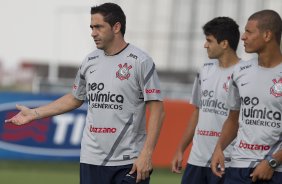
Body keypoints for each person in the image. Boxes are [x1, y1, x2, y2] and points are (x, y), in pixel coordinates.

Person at [5, 3, 165, 184]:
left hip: (128, 160)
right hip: (91, 159)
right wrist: (34, 113)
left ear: (117, 27)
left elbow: (158, 110)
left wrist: (147, 153)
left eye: (98, 27)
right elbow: (75, 98)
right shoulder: (90, 61)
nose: (93, 33)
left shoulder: (141, 61)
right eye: (91, 27)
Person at [211, 9, 282, 184]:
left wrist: (273, 162)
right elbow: (233, 118)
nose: (243, 37)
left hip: (275, 169)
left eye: (249, 32)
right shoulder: (240, 71)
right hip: (238, 167)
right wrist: (219, 148)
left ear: (267, 35)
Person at [171, 17, 240, 184]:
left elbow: (238, 119)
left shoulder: (244, 73)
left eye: (209, 40)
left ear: (224, 44)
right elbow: (197, 112)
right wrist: (180, 149)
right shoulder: (204, 70)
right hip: (197, 160)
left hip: (228, 160)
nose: (205, 45)